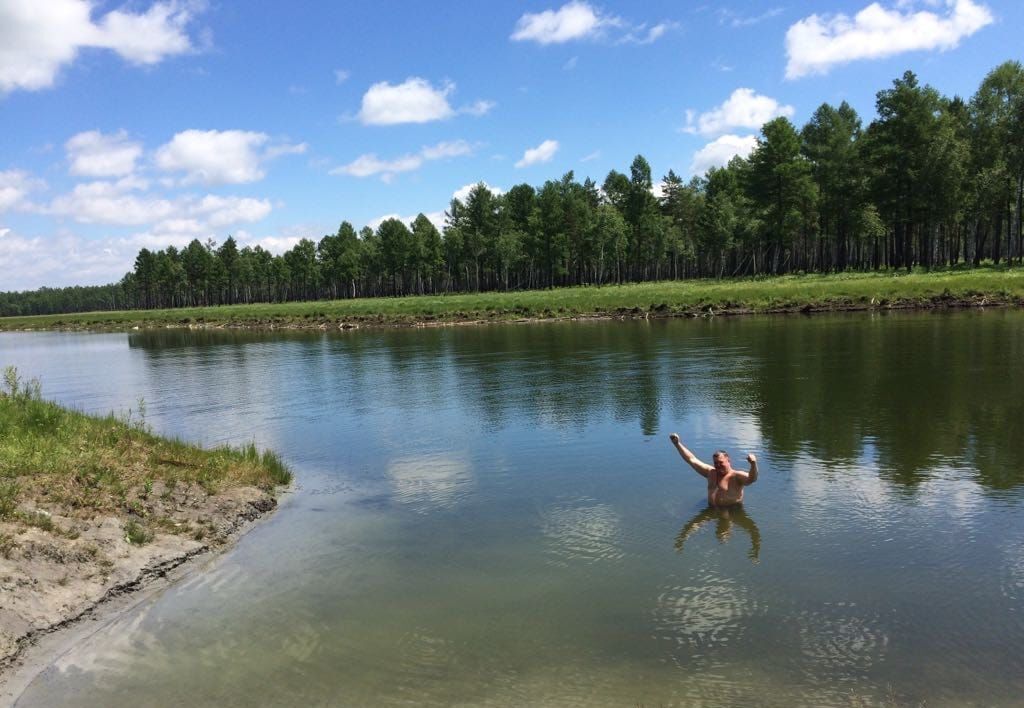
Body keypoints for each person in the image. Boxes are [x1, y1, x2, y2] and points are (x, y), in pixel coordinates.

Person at [668, 433, 757, 507]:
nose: (718, 465)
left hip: (732, 510)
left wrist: (753, 464)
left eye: (720, 462)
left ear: (728, 460)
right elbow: (692, 460)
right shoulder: (711, 472)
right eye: (715, 463)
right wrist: (677, 444)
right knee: (692, 527)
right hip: (711, 509)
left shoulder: (737, 476)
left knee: (725, 523)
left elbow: (752, 479)